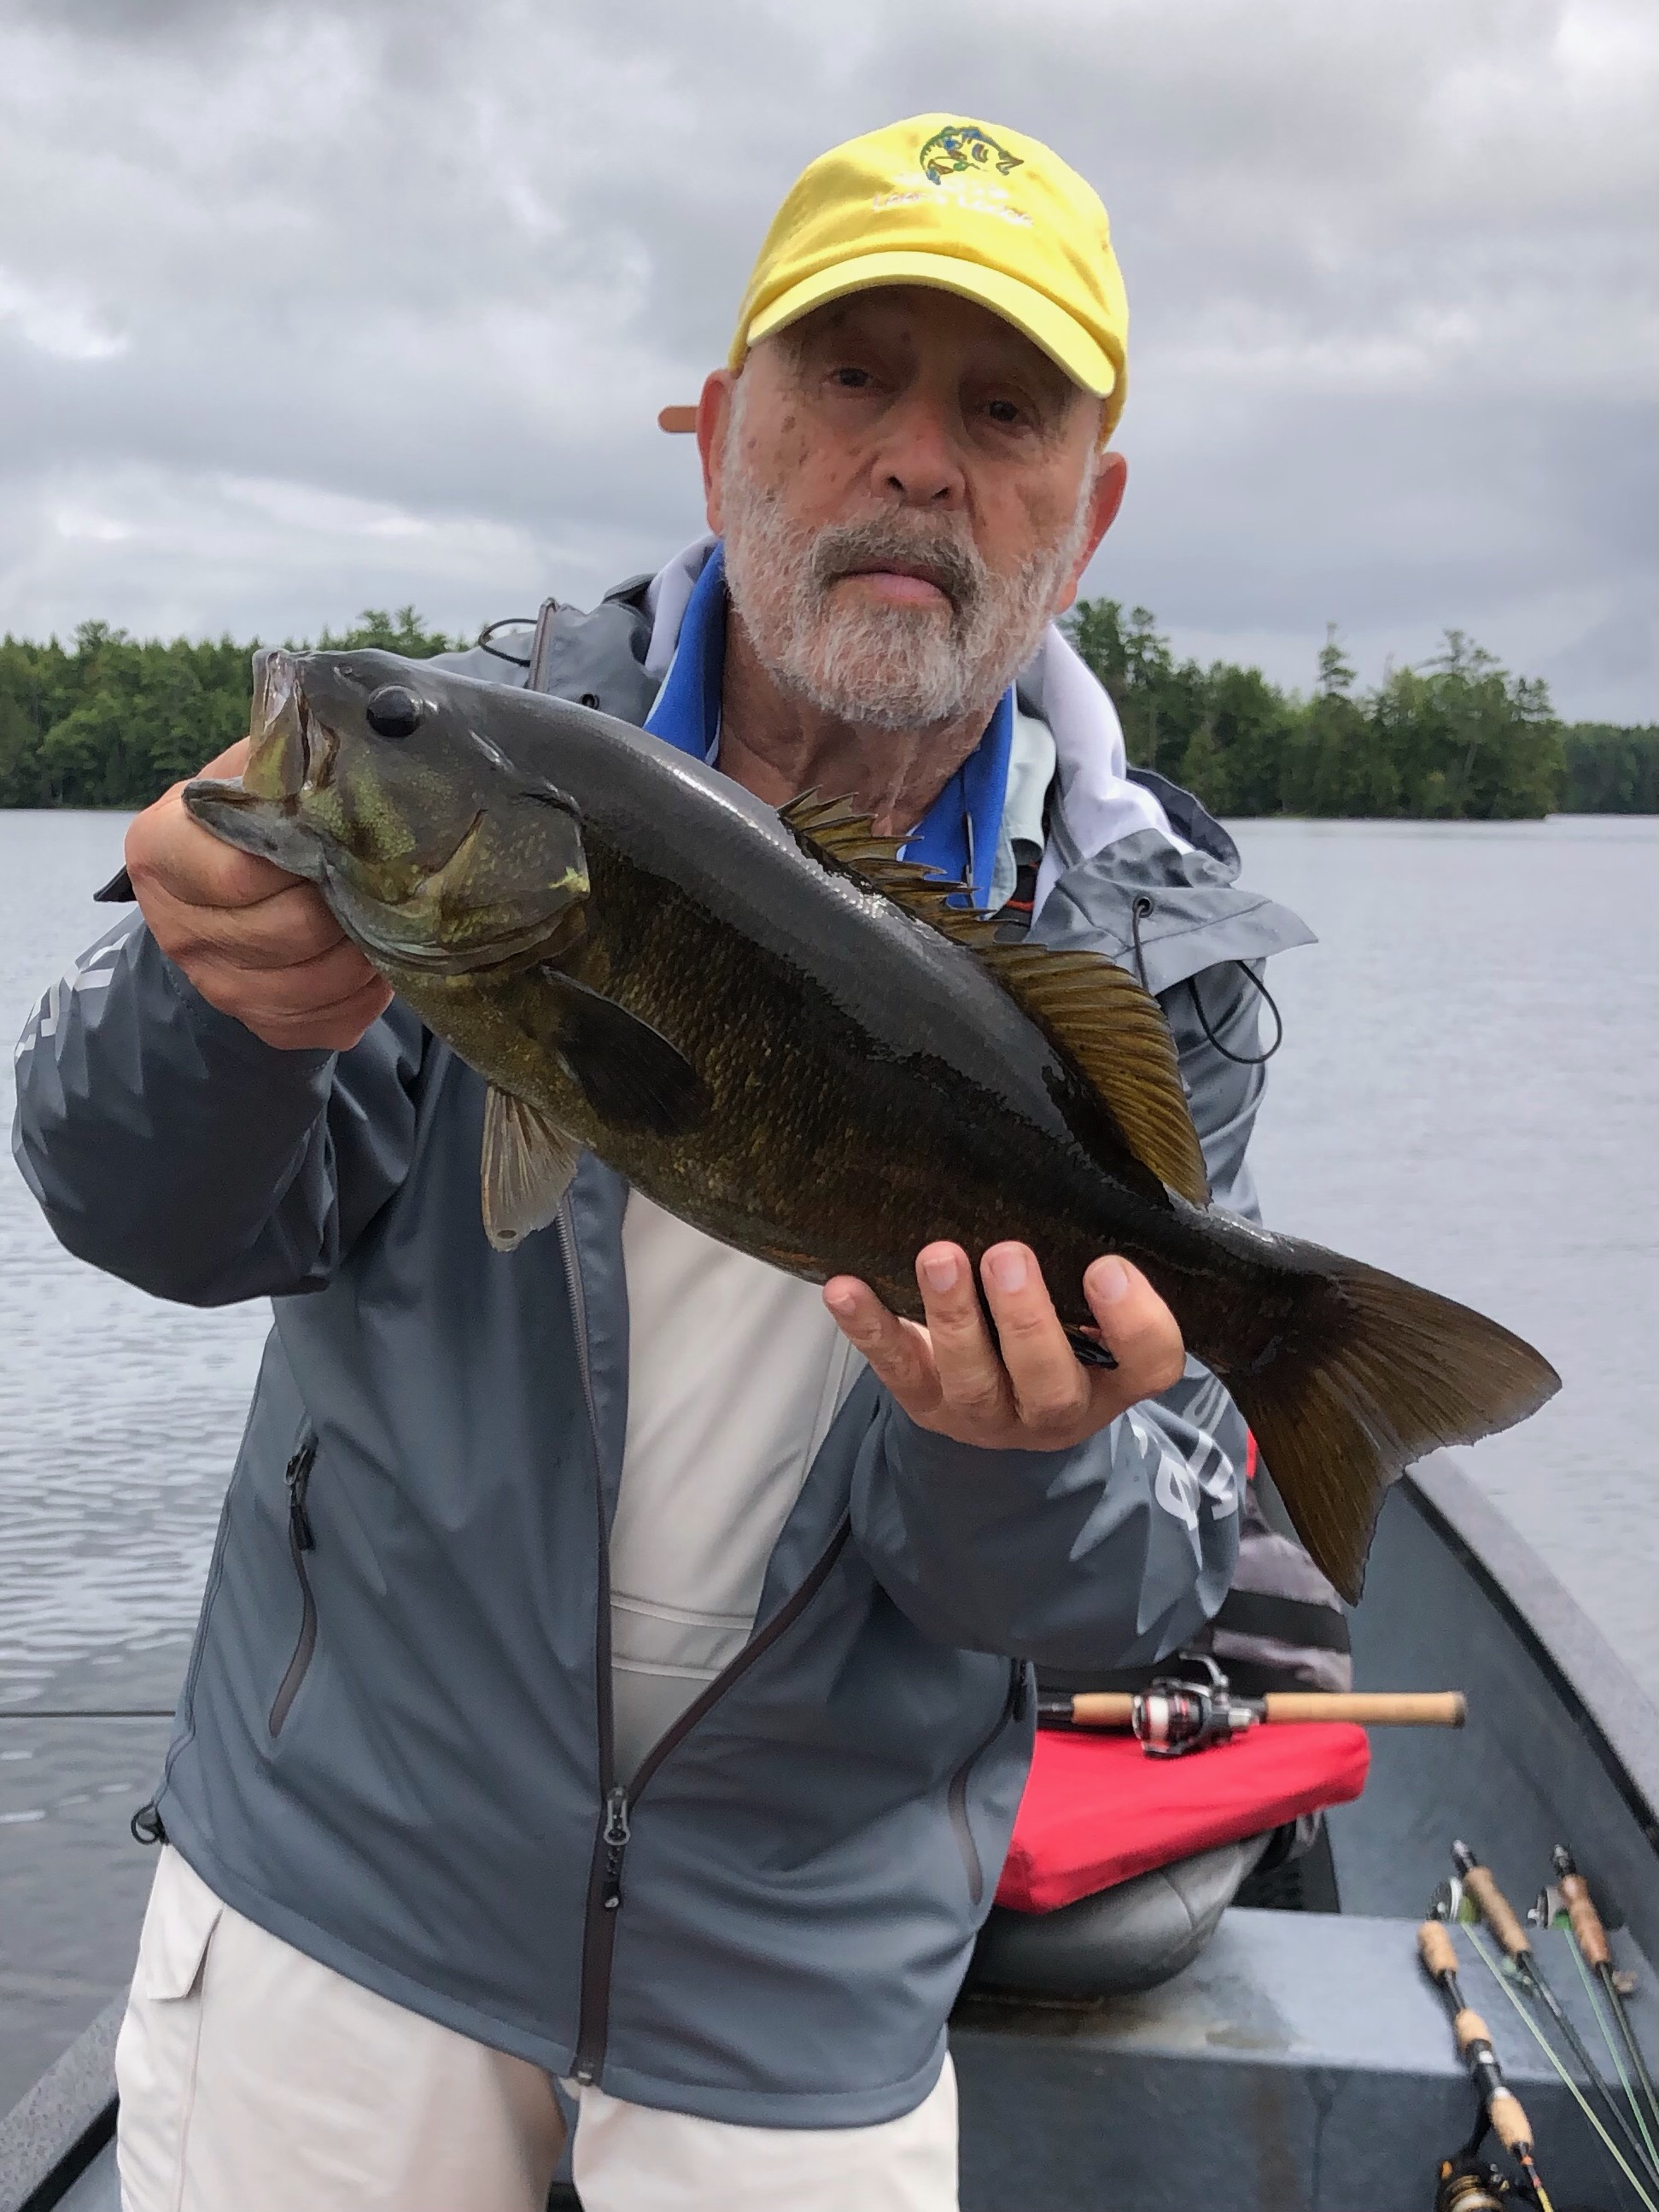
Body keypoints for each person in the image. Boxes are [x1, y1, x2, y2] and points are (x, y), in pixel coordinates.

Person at [12, 114, 1316, 2212]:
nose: (917, 459)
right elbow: (133, 1204)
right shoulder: (472, 761)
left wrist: (1018, 1446)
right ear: (720, 432)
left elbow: (1125, 1588)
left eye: (1002, 408)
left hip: (796, 2006)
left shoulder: (1160, 980)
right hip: (341, 1909)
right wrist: (211, 1003)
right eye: (850, 376)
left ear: (1090, 513)